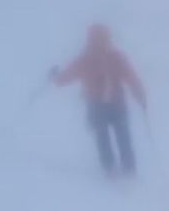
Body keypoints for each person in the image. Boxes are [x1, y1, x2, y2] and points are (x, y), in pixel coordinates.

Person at [52, 23, 147, 177]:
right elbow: (132, 78)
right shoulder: (115, 57)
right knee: (120, 136)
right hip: (114, 104)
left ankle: (112, 168)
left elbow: (66, 77)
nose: (100, 43)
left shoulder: (88, 59)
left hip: (100, 105)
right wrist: (140, 95)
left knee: (105, 137)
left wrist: (55, 78)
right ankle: (126, 169)